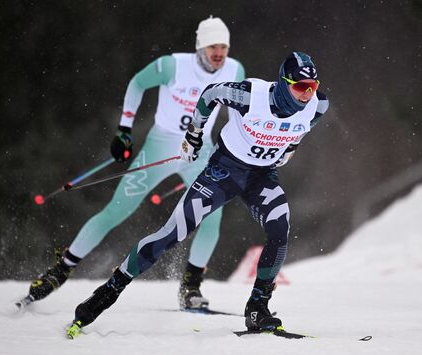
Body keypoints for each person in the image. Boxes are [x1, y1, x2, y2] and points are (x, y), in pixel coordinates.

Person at [66, 51, 329, 338]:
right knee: (173, 233)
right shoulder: (250, 95)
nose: (307, 94)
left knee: (280, 228)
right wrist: (195, 134)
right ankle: (108, 291)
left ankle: (257, 309)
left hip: (261, 177)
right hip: (223, 172)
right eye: (301, 87)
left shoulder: (319, 104)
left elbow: (306, 123)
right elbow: (210, 94)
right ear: (283, 82)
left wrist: (290, 146)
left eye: (312, 87)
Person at [20, 17, 245, 310]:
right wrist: (124, 130)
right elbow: (137, 83)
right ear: (200, 46)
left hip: (199, 153)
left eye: (224, 47)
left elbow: (239, 109)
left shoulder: (234, 69)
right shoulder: (172, 65)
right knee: (115, 212)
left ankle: (190, 287)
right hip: (159, 149)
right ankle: (59, 271)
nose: (219, 53)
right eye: (213, 46)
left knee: (213, 216)